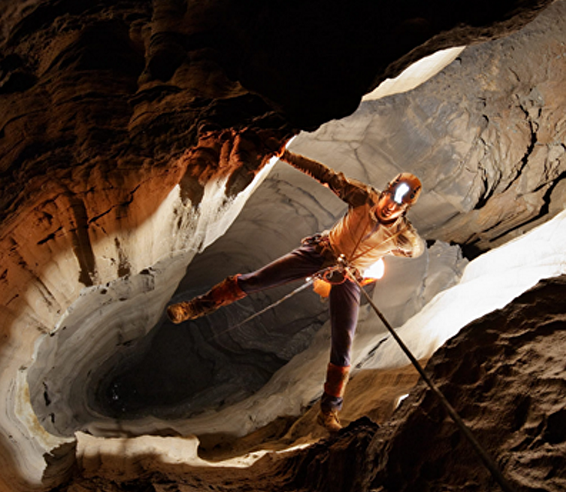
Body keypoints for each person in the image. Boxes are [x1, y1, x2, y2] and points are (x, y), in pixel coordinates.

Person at [167, 148, 425, 432]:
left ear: (405, 209)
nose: (390, 206)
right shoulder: (362, 196)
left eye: (399, 205)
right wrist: (285, 155)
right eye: (391, 197)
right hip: (320, 252)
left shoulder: (403, 233)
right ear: (386, 191)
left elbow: (415, 250)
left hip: (348, 276)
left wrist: (374, 259)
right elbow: (326, 176)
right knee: (257, 279)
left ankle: (329, 411)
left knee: (343, 344)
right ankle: (195, 307)